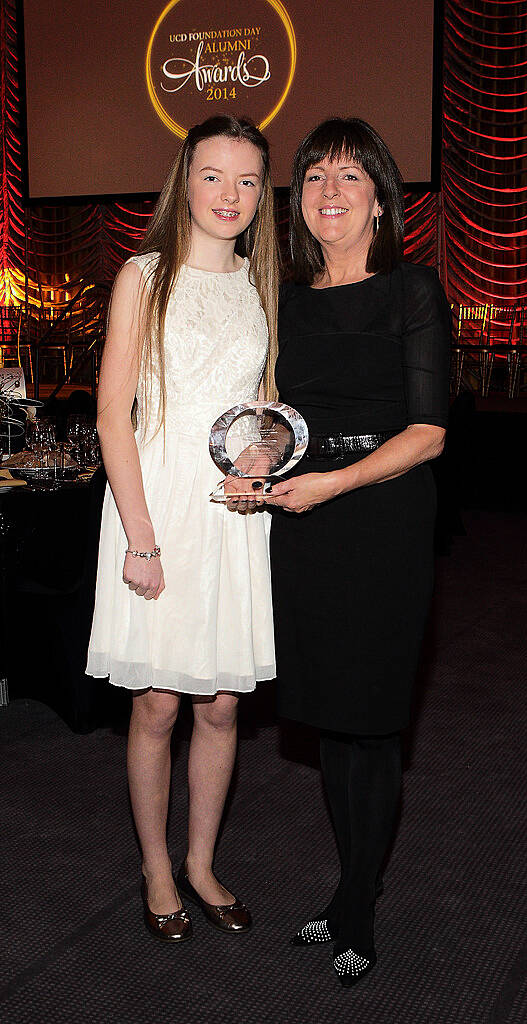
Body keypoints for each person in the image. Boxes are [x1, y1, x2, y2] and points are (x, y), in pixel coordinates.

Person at [265, 118, 450, 986]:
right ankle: (347, 889)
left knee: (371, 727)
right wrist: (258, 464)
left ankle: (360, 910)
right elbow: (276, 418)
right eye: (313, 178)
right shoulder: (288, 302)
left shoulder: (414, 290)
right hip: (304, 534)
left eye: (348, 176)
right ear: (298, 200)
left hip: (380, 528)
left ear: (380, 196)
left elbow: (427, 434)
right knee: (333, 723)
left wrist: (331, 486)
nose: (329, 192)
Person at [86, 116, 278, 942]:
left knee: (224, 706)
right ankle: (156, 868)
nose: (228, 195)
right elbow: (110, 417)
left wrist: (266, 458)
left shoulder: (262, 279)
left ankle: (201, 863)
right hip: (156, 506)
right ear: (184, 180)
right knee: (159, 703)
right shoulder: (144, 273)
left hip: (234, 515)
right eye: (212, 175)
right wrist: (141, 540)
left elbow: (268, 412)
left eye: (245, 180)